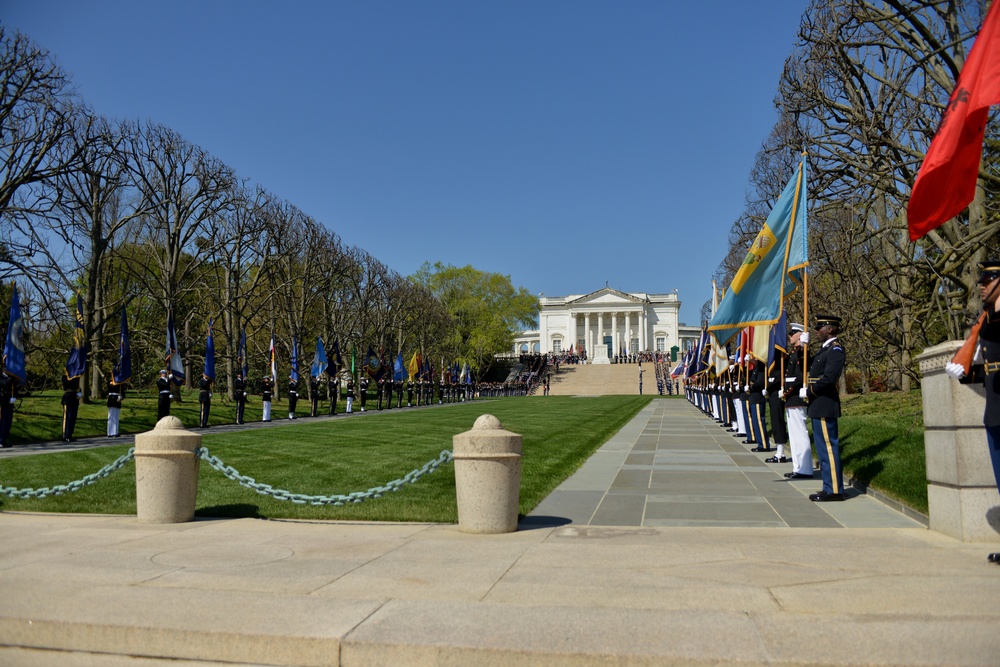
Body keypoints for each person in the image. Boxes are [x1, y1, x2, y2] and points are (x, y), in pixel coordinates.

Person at [946, 259, 1000, 563]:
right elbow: (990, 368)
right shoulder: (986, 321)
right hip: (994, 409)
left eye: (989, 278)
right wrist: (967, 374)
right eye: (980, 278)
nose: (981, 284)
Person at [802, 314, 846, 502]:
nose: (817, 332)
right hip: (818, 404)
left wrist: (810, 391)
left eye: (819, 328)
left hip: (824, 402)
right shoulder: (824, 350)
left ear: (830, 329)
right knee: (822, 449)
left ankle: (835, 490)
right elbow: (808, 365)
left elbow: (828, 379)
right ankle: (828, 486)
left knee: (828, 448)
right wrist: (801, 349)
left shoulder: (835, 350)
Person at [783, 324, 814, 479]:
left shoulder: (801, 351)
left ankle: (805, 469)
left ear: (800, 334)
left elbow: (803, 368)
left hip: (796, 396)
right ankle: (798, 467)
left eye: (793, 333)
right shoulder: (794, 352)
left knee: (800, 434)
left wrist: (803, 346)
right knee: (794, 436)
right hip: (791, 397)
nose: (790, 336)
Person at [0, 368, 17, 447]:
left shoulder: (12, 378)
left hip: (10, 402)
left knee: (8, 422)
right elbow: (5, 384)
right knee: (2, 422)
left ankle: (5, 440)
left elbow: (15, 389)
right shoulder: (1, 377)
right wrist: (11, 377)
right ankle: (0, 440)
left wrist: (15, 397)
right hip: (2, 402)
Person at [61, 374, 80, 442]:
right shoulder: (65, 377)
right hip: (68, 398)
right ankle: (65, 435)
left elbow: (78, 388)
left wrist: (79, 394)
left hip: (75, 398)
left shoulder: (77, 377)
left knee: (73, 418)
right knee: (67, 418)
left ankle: (70, 435)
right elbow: (65, 384)